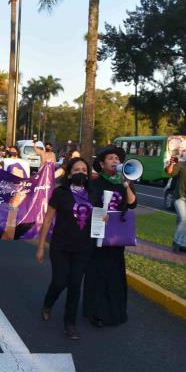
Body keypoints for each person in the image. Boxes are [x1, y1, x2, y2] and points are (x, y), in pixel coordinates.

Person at [36, 157, 93, 340]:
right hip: (60, 246)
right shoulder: (60, 193)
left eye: (84, 170)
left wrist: (104, 218)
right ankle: (48, 302)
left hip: (83, 248)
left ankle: (70, 324)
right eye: (77, 170)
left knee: (75, 285)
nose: (81, 173)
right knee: (60, 282)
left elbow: (100, 217)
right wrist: (40, 247)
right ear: (69, 173)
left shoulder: (93, 194)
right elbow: (47, 220)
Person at [83, 145, 137, 327]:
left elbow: (132, 204)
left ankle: (115, 311)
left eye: (117, 159)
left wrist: (126, 184)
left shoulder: (124, 182)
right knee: (97, 273)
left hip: (116, 236)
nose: (115, 161)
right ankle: (95, 312)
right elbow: (87, 206)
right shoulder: (95, 183)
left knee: (115, 273)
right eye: (111, 158)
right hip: (97, 233)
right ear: (101, 163)